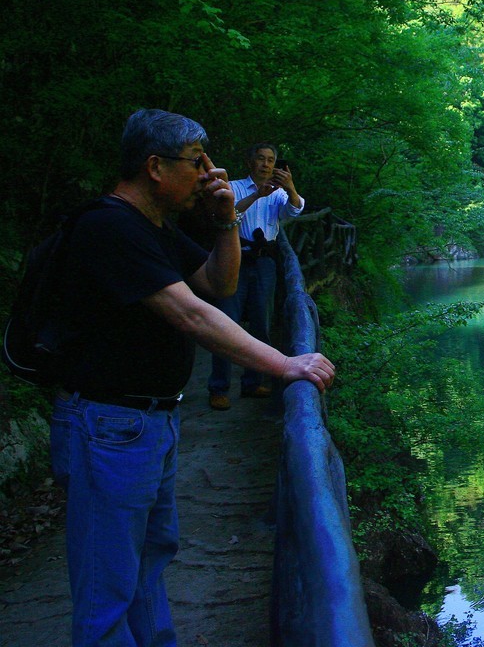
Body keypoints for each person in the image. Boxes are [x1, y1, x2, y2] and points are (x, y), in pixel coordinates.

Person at [49, 109, 335, 647]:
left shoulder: (153, 227)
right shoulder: (108, 226)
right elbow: (194, 315)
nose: (210, 171)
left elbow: (217, 284)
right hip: (108, 426)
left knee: (150, 563)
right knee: (107, 588)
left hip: (149, 421)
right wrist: (284, 364)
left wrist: (226, 217)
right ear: (155, 167)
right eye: (195, 161)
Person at [207, 142, 304, 410]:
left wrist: (291, 187)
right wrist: (256, 196)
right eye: (260, 159)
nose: (266, 164)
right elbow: (225, 213)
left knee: (261, 322)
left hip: (264, 262)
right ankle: (219, 387)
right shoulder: (235, 187)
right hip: (233, 260)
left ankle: (253, 382)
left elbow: (295, 210)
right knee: (225, 322)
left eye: (270, 160)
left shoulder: (279, 193)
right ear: (250, 162)